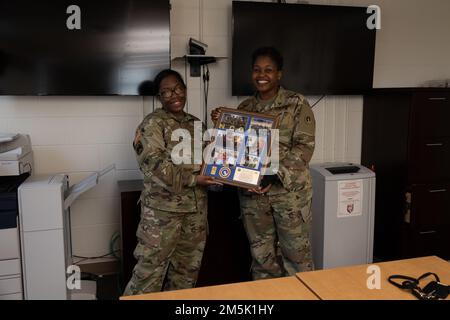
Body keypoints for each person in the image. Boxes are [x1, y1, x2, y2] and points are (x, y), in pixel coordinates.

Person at [211, 47, 316, 279]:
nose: (262, 75)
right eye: (257, 70)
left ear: (279, 74)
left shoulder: (296, 103)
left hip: (290, 196)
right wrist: (222, 125)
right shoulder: (244, 109)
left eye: (269, 70)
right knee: (262, 260)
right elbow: (233, 152)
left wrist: (275, 174)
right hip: (254, 197)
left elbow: (304, 147)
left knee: (297, 260)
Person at [124, 69, 221, 295]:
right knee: (148, 276)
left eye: (177, 88)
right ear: (159, 97)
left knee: (186, 275)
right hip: (162, 216)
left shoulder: (196, 124)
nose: (174, 95)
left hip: (195, 215)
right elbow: (154, 166)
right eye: (166, 92)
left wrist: (221, 126)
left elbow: (212, 157)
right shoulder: (152, 124)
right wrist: (194, 179)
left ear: (185, 90)